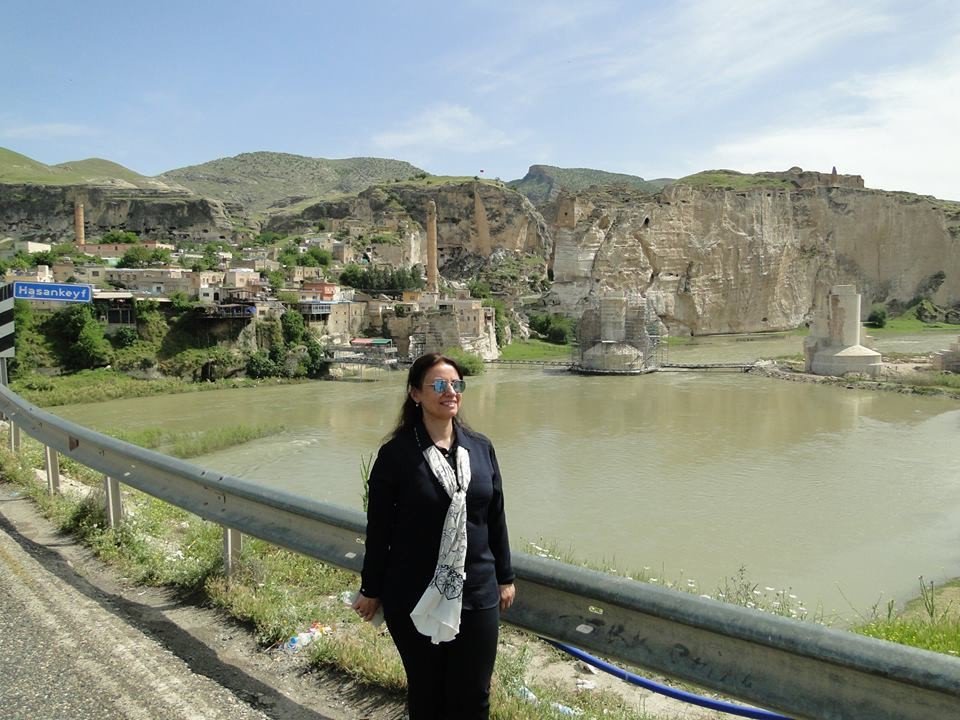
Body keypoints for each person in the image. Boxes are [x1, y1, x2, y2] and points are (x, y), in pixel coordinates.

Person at [353, 352, 516, 720]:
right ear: (415, 394)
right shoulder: (396, 456)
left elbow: (495, 516)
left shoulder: (480, 447)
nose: (450, 392)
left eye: (456, 384)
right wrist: (371, 588)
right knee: (428, 694)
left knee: (474, 695)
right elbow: (379, 530)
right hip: (414, 593)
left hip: (477, 590)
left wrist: (505, 577)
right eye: (439, 385)